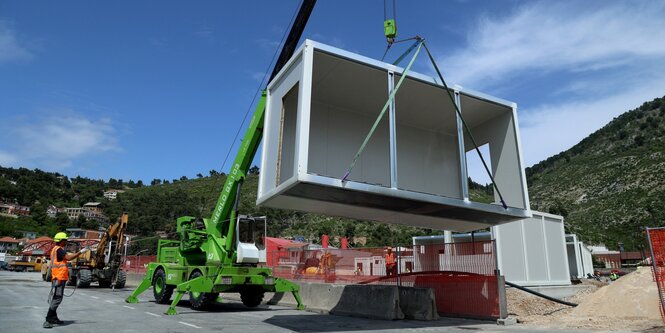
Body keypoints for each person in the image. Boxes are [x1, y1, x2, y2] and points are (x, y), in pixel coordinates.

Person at [43, 232, 87, 329]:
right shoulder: (59, 250)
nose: (66, 241)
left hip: (57, 277)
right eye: (65, 240)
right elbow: (69, 258)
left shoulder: (55, 249)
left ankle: (54, 318)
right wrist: (81, 252)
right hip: (59, 278)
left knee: (56, 297)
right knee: (57, 298)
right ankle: (48, 319)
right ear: (61, 241)